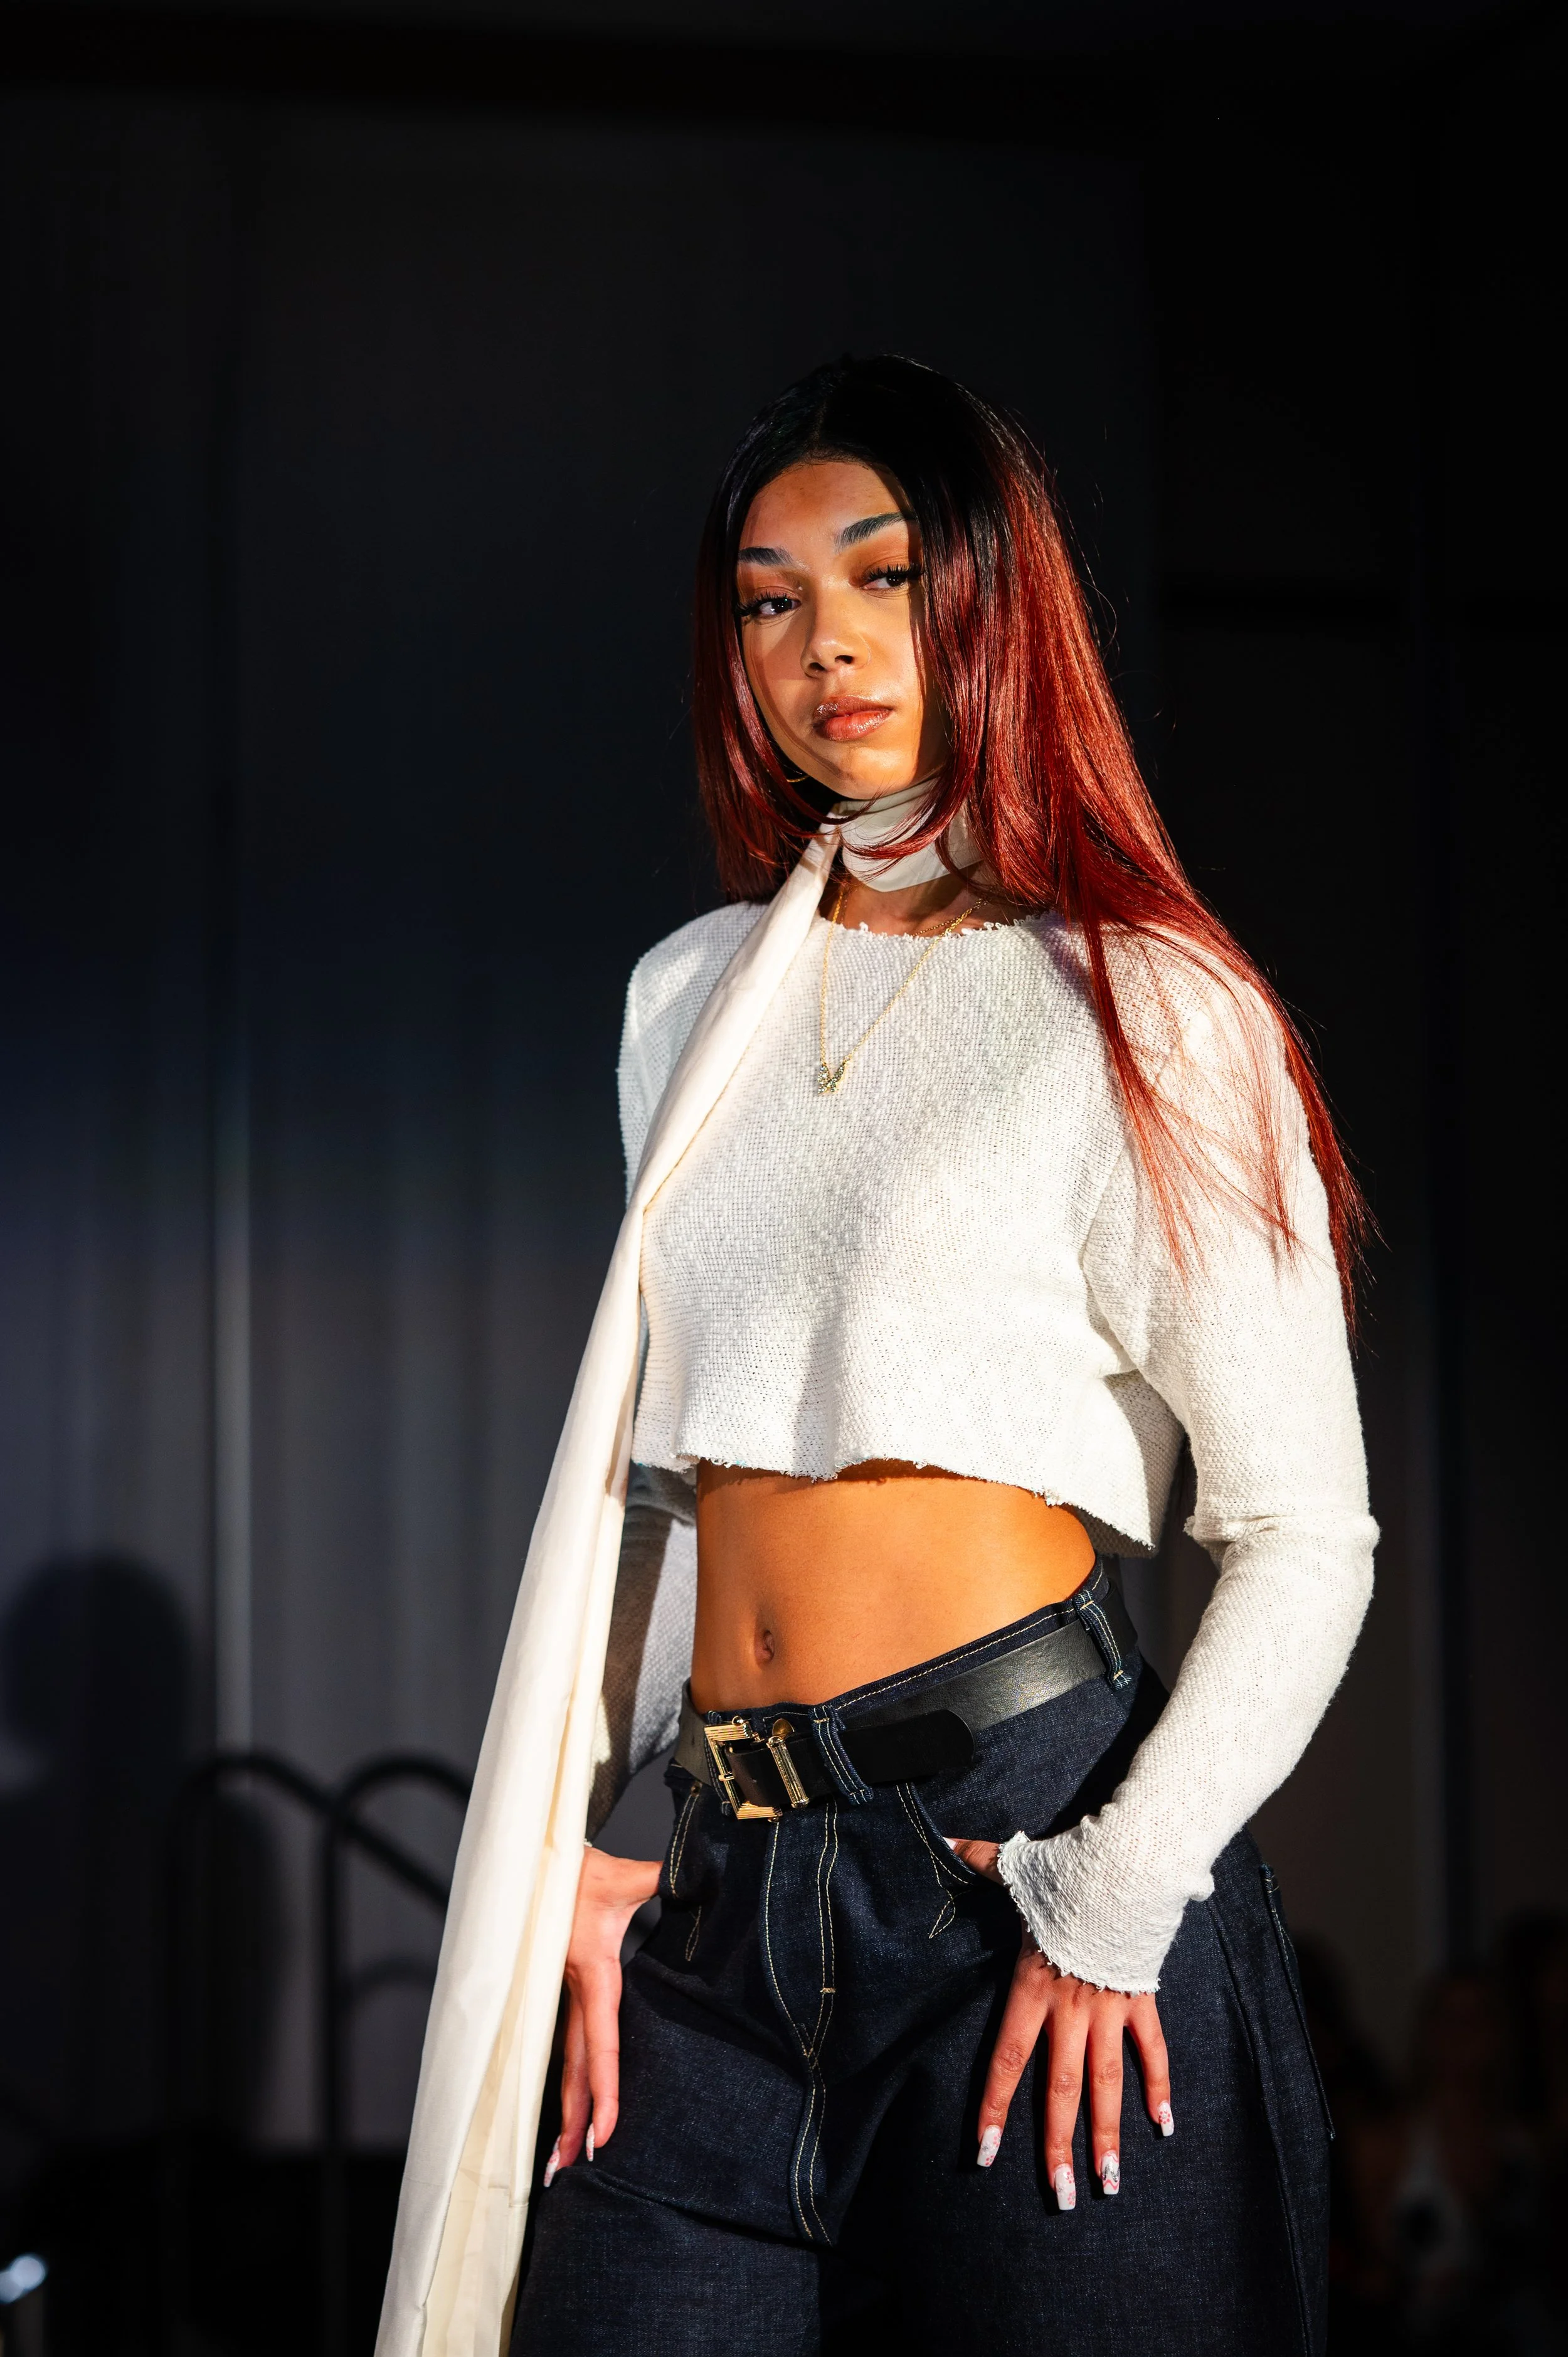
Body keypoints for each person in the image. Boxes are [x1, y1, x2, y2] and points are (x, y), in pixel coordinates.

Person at [377, 356, 1377, 2357]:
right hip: (719, 1898)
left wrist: (1115, 1896)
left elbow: (1302, 1535)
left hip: (1022, 1859)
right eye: (766, 598)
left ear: (993, 601)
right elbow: (670, 1484)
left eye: (882, 576)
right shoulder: (692, 999)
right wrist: (588, 1836)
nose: (822, 641)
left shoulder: (1151, 1005)